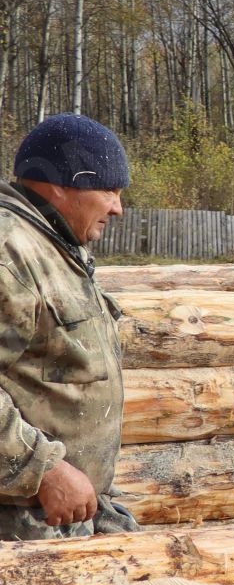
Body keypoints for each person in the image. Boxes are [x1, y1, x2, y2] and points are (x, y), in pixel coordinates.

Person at [0, 114, 140, 540]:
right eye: (109, 191)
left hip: (56, 510)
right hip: (17, 521)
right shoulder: (10, 251)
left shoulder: (52, 244)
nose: (117, 207)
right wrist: (42, 469)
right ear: (58, 185)